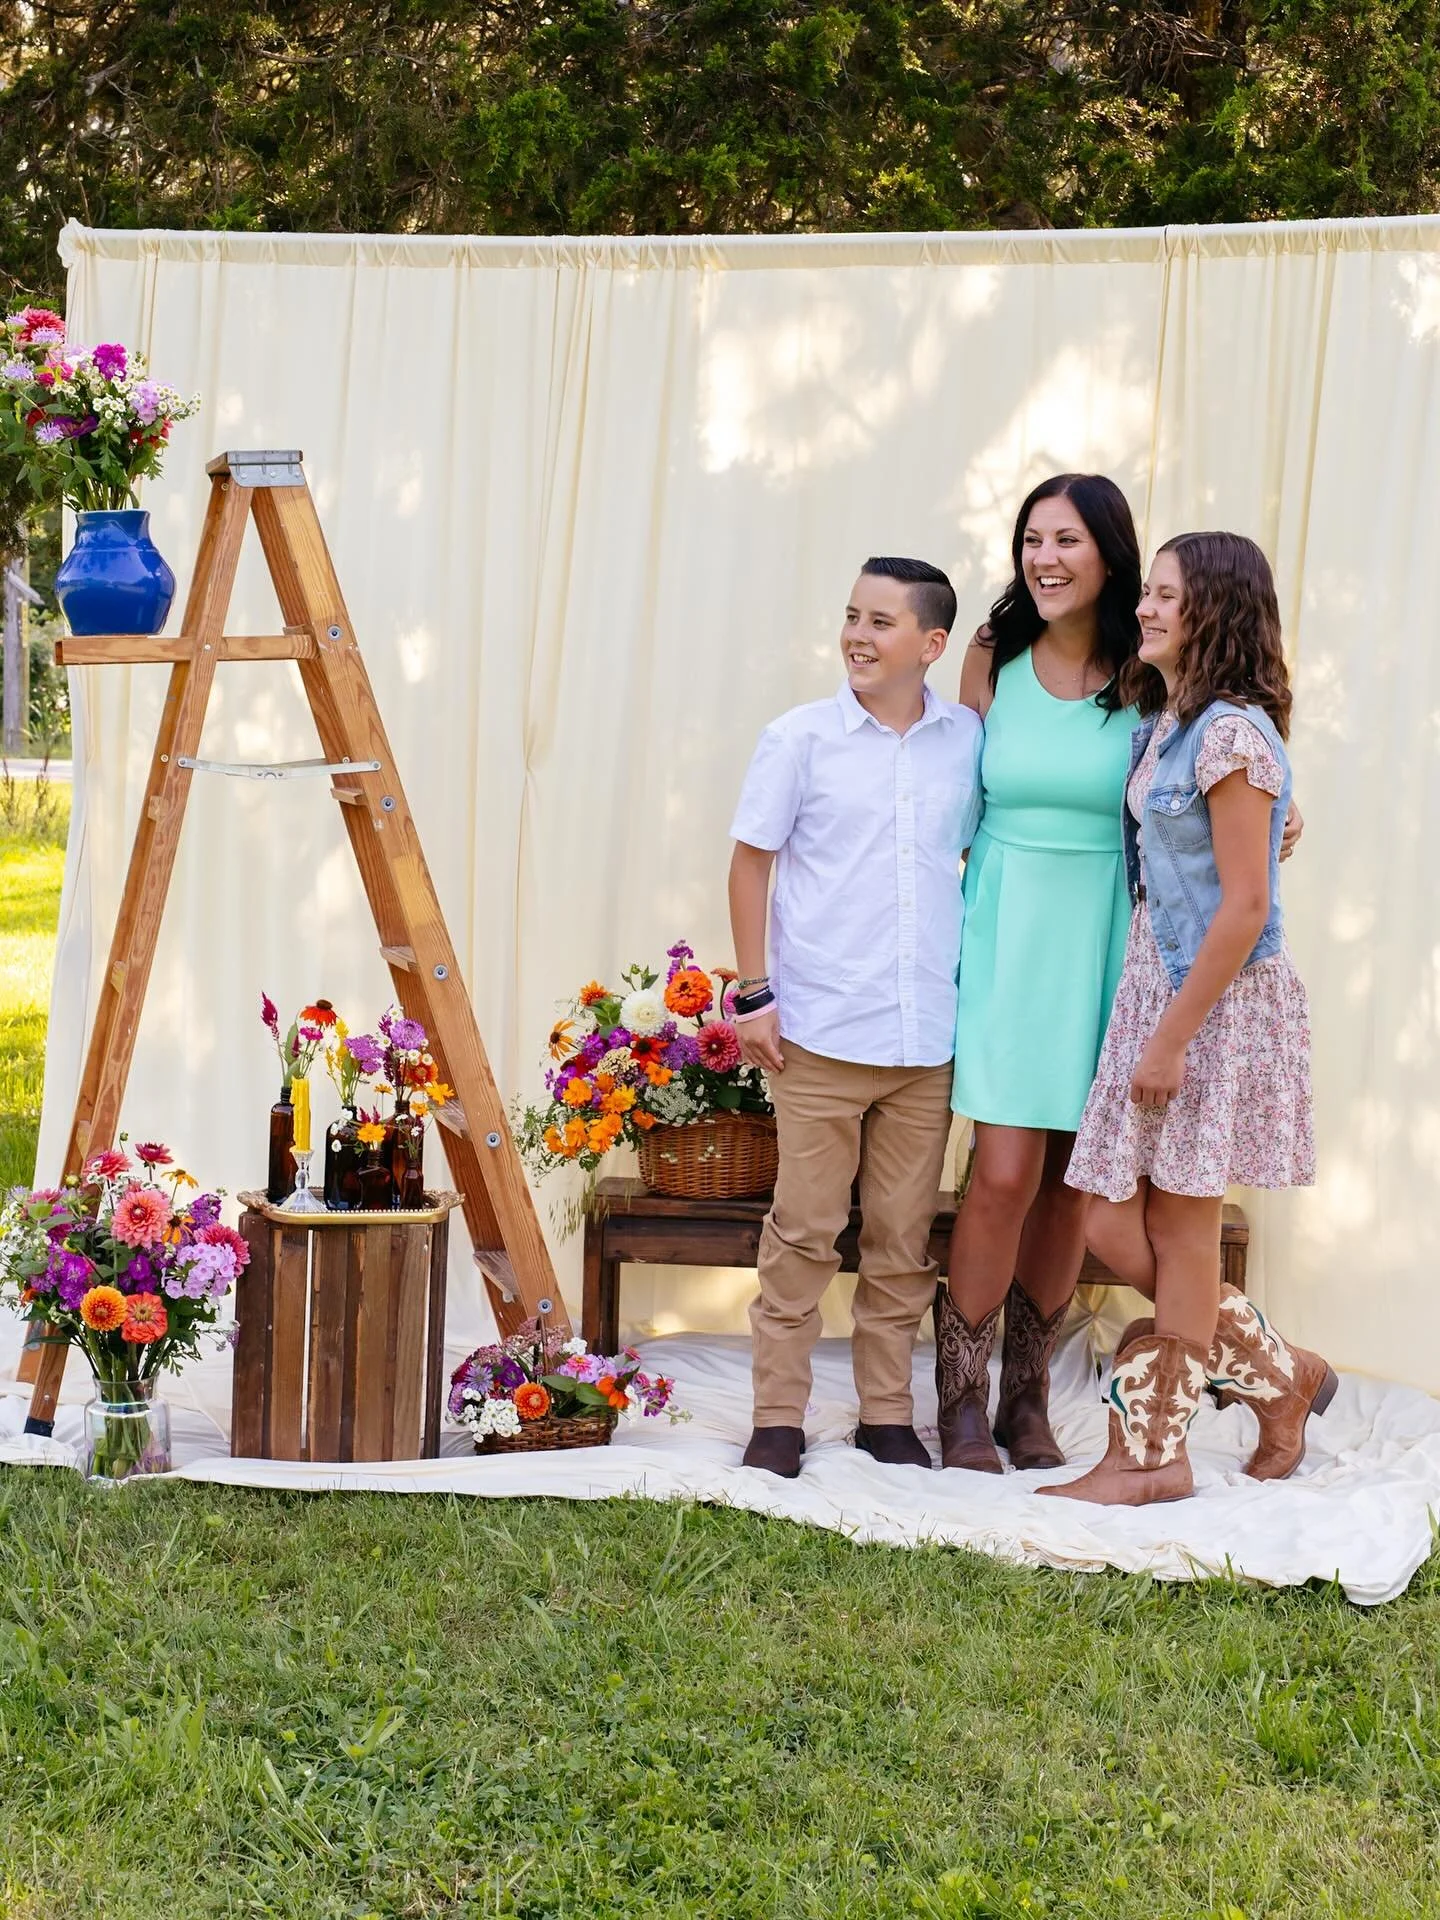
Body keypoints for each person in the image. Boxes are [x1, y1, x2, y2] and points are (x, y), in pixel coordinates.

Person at [936, 478, 1305, 1475]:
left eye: (1067, 539)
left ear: (1112, 554)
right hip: (1012, 929)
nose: (1044, 558)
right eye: (1030, 539)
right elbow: (944, 792)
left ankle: (1025, 1400)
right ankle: (961, 1403)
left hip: (1124, 943)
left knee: (1071, 1188)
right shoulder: (991, 658)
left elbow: (1219, 822)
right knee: (1003, 1171)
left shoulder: (1153, 672)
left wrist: (1276, 831)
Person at [1043, 531, 1335, 1506]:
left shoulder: (1231, 736)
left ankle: (1154, 1457)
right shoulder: (1173, 723)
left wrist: (1171, 1038)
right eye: (1151, 593)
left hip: (1207, 1004)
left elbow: (1245, 907)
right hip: (1158, 987)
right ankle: (1284, 1379)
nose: (1147, 608)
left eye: (1167, 595)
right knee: (1117, 1221)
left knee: (1181, 1225)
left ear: (1214, 610)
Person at [728, 557, 983, 1479]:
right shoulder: (799, 739)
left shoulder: (968, 742)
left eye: (881, 622)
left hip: (926, 1040)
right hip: (823, 1035)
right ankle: (776, 1417)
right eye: (851, 617)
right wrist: (754, 994)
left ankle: (886, 1414)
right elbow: (751, 863)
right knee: (801, 1234)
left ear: (932, 644)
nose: (858, 637)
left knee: (902, 1242)